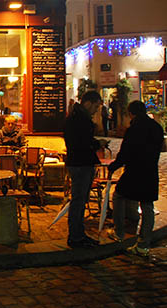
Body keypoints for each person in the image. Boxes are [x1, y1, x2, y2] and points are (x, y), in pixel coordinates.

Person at [107, 100, 164, 256]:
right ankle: (144, 244)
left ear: (131, 113)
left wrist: (114, 166)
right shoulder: (156, 127)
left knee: (118, 196)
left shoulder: (134, 129)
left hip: (134, 171)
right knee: (147, 206)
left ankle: (119, 232)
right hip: (150, 171)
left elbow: (126, 152)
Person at [64, 90, 107, 249]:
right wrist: (97, 144)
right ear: (88, 103)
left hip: (77, 162)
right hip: (81, 164)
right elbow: (82, 143)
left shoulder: (75, 117)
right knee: (79, 201)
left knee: (80, 201)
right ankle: (76, 237)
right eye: (95, 106)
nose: (96, 110)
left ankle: (78, 234)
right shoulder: (80, 120)